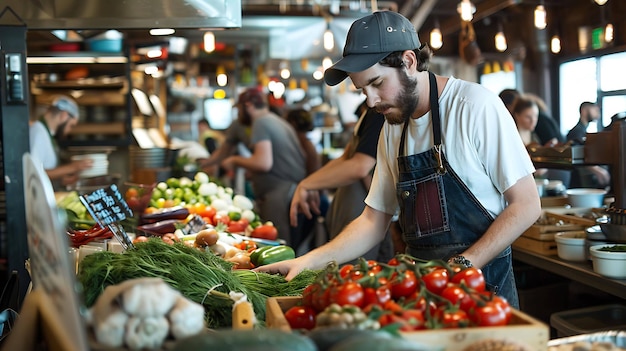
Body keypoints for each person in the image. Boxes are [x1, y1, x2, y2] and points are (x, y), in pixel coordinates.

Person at [257, 11, 541, 308]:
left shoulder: (474, 107)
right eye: (362, 89)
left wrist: (461, 266)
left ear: (408, 61)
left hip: (482, 292)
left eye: (377, 83)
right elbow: (373, 220)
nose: (370, 100)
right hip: (420, 293)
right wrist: (308, 261)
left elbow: (526, 205)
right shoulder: (393, 130)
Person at [289, 101, 395, 262]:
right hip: (354, 211)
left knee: (358, 273)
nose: (370, 96)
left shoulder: (378, 113)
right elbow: (346, 159)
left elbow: (360, 166)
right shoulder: (369, 115)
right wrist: (309, 183)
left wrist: (308, 185)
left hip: (362, 213)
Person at [206, 88, 309, 248]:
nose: (238, 114)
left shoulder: (260, 122)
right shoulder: (275, 120)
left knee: (279, 249)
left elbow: (263, 163)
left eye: (239, 109)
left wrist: (235, 160)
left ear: (248, 105)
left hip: (280, 192)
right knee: (284, 245)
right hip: (290, 189)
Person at [29, 95, 93, 189]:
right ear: (64, 115)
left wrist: (61, 180)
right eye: (71, 125)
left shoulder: (46, 133)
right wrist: (74, 167)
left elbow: (45, 171)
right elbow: (34, 173)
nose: (69, 131)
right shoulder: (38, 131)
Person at [567, 102, 610, 189]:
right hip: (579, 181)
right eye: (594, 109)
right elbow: (577, 157)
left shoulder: (583, 131)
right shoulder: (576, 132)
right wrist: (598, 170)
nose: (598, 112)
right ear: (584, 111)